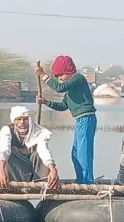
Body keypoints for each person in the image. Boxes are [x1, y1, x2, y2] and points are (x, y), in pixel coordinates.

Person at [35, 55, 97, 185]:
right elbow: (63, 106)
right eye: (57, 77)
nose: (59, 79)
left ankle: (87, 183)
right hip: (80, 121)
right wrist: (46, 102)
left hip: (86, 118)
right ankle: (80, 180)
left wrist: (43, 75)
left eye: (60, 75)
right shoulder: (69, 90)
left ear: (69, 72)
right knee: (75, 154)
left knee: (84, 153)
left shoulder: (78, 79)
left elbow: (59, 87)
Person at [0, 106, 60, 189]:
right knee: (4, 154)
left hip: (32, 170)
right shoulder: (7, 130)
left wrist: (53, 169)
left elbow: (44, 152)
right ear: (14, 121)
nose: (22, 122)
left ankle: (45, 184)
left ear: (30, 120)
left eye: (25, 119)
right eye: (18, 119)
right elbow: (4, 150)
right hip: (16, 170)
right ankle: (8, 184)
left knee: (38, 154)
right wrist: (0, 170)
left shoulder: (39, 132)